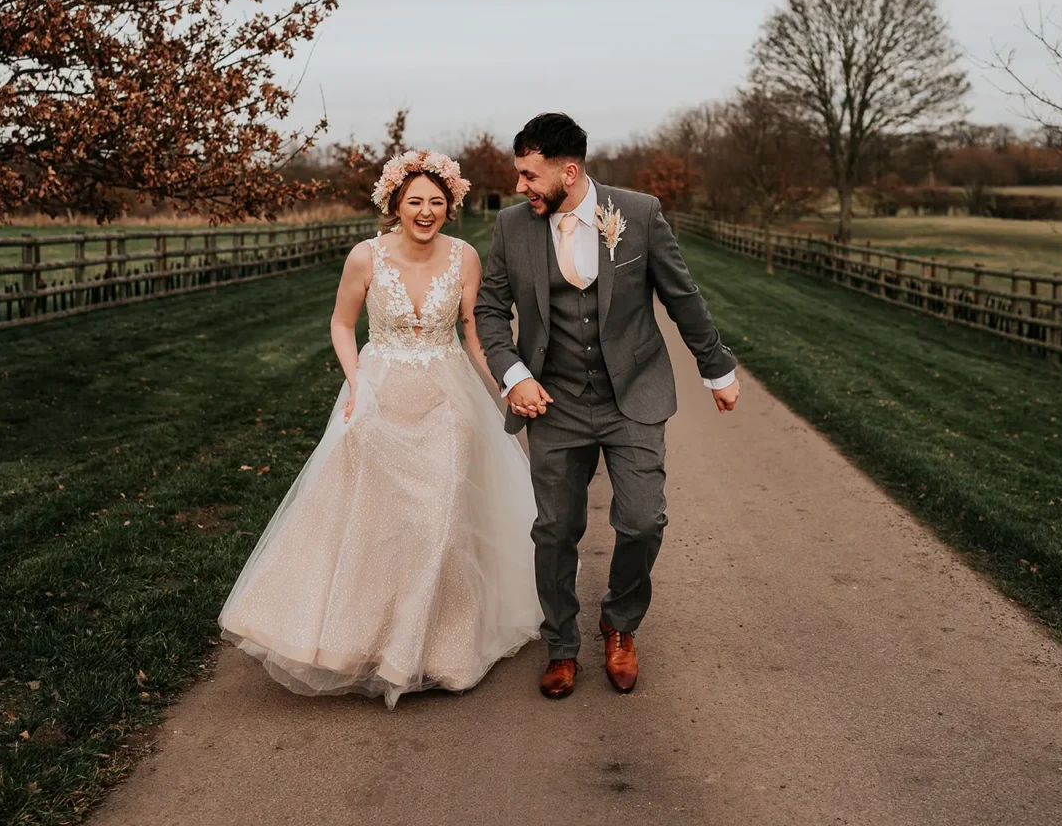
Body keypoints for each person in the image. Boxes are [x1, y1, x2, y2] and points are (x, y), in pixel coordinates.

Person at [219, 151, 541, 709]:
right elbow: (342, 324)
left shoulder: (465, 257)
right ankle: (365, 641)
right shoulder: (365, 257)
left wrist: (507, 385)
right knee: (380, 521)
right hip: (380, 391)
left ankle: (433, 653)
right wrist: (356, 382)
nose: (426, 211)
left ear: (450, 208)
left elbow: (471, 332)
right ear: (394, 204)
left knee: (438, 521)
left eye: (437, 202)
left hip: (446, 398)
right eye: (415, 200)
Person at [474, 112, 741, 700]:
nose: (519, 186)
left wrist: (715, 366)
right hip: (554, 400)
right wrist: (513, 375)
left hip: (634, 393)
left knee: (645, 520)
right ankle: (562, 645)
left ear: (568, 172)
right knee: (555, 530)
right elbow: (490, 311)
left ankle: (620, 624)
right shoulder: (511, 227)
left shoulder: (638, 214)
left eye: (528, 175)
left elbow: (681, 295)